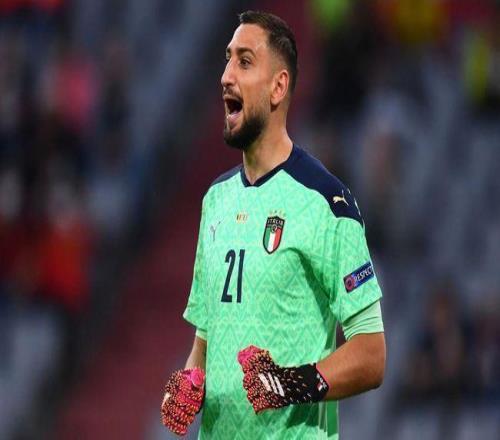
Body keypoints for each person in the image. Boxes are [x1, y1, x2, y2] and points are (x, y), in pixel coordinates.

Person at [161, 10, 386, 439]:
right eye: (227, 60)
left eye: (244, 62)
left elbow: (372, 355)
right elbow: (205, 342)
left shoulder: (326, 202)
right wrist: (188, 385)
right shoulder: (216, 200)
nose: (226, 76)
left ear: (278, 87)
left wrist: (288, 384)